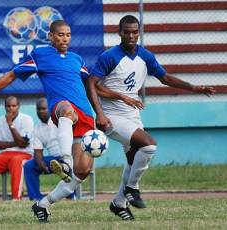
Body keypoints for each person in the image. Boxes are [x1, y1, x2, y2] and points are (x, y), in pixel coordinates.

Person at [87, 15, 215, 220]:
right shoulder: (109, 56)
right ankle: (132, 188)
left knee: (132, 159)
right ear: (119, 33)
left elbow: (164, 78)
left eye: (134, 32)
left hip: (133, 115)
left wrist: (194, 88)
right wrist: (100, 114)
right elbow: (91, 83)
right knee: (149, 145)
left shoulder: (145, 56)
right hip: (111, 116)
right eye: (126, 32)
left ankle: (119, 204)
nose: (131, 35)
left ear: (139, 32)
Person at [0, 20, 95, 222]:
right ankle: (65, 161)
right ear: (51, 36)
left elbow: (91, 86)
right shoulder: (40, 55)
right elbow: (10, 76)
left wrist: (101, 113)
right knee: (67, 113)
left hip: (86, 115)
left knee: (83, 171)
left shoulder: (76, 59)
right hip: (61, 107)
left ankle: (43, 204)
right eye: (60, 34)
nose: (65, 38)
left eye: (68, 34)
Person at [23, 98, 75, 201]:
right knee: (29, 166)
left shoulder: (59, 120)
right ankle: (35, 197)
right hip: (53, 161)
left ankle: (71, 196)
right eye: (38, 109)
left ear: (49, 109)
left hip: (68, 156)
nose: (40, 111)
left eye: (43, 108)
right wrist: (41, 164)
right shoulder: (37, 128)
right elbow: (38, 151)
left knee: (71, 163)